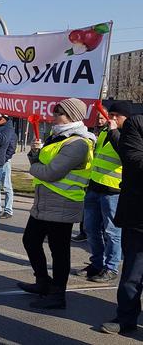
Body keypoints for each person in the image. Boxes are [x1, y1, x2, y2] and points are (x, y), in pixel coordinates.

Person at [18, 98, 95, 309]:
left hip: (64, 202)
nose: (53, 117)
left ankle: (58, 294)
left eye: (58, 113)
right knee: (30, 241)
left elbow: (50, 172)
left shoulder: (78, 142)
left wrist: (33, 167)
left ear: (71, 115)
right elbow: (44, 163)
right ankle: (43, 282)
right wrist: (35, 153)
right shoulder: (59, 136)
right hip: (45, 202)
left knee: (59, 251)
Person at [73, 102, 129, 284]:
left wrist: (114, 131)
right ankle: (96, 263)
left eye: (116, 116)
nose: (111, 118)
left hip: (113, 191)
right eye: (109, 114)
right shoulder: (105, 132)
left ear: (125, 118)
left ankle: (111, 267)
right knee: (90, 228)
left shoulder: (128, 134)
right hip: (95, 187)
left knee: (112, 231)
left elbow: (125, 153)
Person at [101, 113, 143, 335]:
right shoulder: (137, 123)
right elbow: (134, 160)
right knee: (132, 276)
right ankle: (126, 318)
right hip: (138, 216)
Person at [73, 112, 109, 243]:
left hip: (106, 182)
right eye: (97, 118)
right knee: (87, 211)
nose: (99, 121)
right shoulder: (92, 133)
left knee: (105, 219)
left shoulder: (111, 133)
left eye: (102, 118)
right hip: (90, 176)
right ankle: (84, 232)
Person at [0, 115, 17, 220]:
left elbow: (11, 148)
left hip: (4, 162)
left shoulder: (10, 132)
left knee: (7, 186)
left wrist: (3, 159)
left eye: (0, 118)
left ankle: (8, 210)